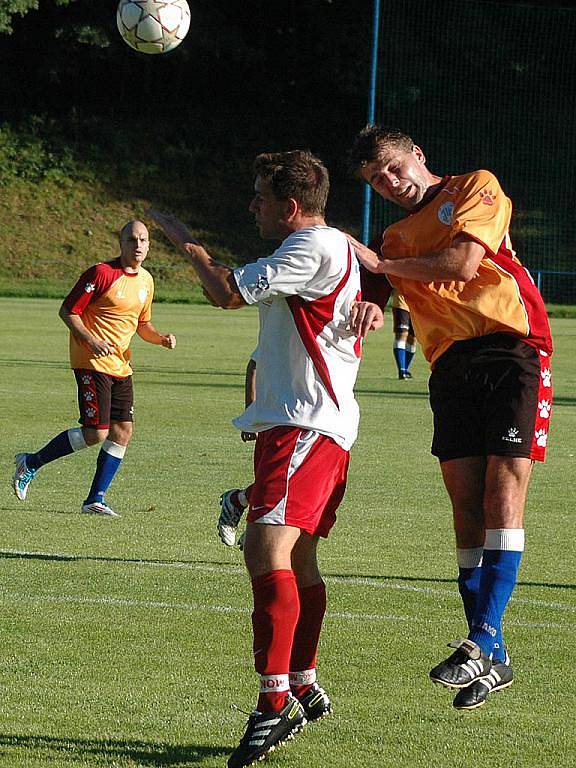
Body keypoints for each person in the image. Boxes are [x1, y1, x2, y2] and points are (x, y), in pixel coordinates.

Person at [146, 149, 382, 767]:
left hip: (305, 423)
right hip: (314, 422)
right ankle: (300, 682)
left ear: (291, 207)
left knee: (265, 549)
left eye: (259, 198)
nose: (252, 206)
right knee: (297, 554)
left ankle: (274, 705)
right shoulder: (328, 247)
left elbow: (227, 293)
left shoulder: (309, 249)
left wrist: (185, 242)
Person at [348, 125, 553, 710]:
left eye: (392, 168)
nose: (388, 184)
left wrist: (384, 268)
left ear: (417, 154)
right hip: (450, 367)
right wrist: (371, 300)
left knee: (501, 491)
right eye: (375, 181)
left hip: (511, 349)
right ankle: (489, 653)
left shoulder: (475, 187)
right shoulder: (392, 236)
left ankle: (483, 638)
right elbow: (373, 287)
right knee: (465, 503)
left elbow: (463, 263)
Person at [12, 220, 176, 518]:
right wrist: (90, 339)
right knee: (96, 433)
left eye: (143, 240)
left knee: (123, 430)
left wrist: (161, 339)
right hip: (91, 362)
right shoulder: (101, 273)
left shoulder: (146, 281)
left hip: (121, 366)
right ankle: (31, 462)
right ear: (121, 243)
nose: (137, 245)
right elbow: (68, 311)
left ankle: (95, 500)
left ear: (149, 245)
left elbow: (142, 324)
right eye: (131, 239)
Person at [391, 288, 416, 379]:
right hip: (401, 303)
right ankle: (401, 370)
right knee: (402, 334)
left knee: (412, 339)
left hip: (417, 305)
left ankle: (405, 369)